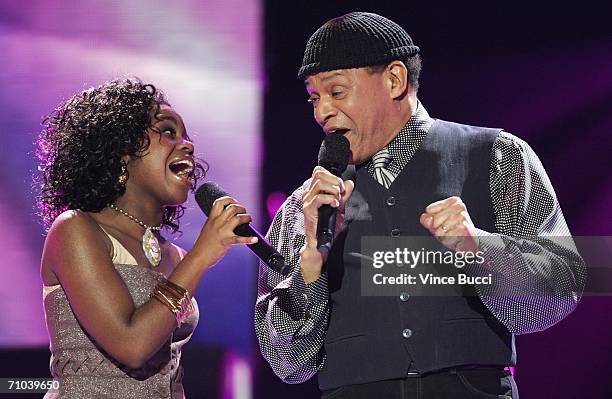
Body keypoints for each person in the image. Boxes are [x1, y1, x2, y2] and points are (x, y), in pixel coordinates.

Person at [255, 12, 586, 399]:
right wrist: (311, 265)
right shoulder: (304, 206)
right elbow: (286, 363)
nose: (321, 111)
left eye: (337, 92)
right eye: (314, 98)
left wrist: (479, 249)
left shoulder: (497, 156)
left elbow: (562, 289)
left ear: (394, 80)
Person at [36, 78, 256, 398]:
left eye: (186, 136)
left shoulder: (175, 257)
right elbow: (132, 345)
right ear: (122, 153)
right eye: (167, 131)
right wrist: (202, 255)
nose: (187, 145)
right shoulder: (75, 230)